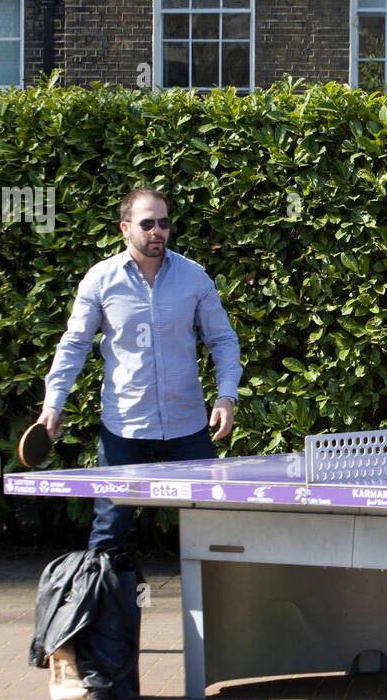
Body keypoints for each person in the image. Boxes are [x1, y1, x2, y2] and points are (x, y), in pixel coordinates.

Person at [37, 187, 243, 553]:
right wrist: (53, 404)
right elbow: (74, 344)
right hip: (125, 426)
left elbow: (223, 340)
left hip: (188, 424)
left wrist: (226, 396)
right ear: (124, 229)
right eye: (147, 223)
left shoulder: (194, 277)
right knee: (109, 534)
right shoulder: (101, 280)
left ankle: (220, 609)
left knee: (219, 530)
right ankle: (102, 608)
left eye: (163, 223)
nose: (157, 231)